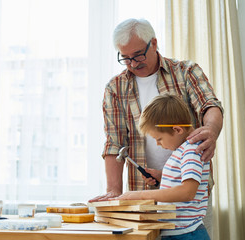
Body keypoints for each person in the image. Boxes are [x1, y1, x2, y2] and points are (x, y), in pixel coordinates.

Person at [89, 18, 223, 237]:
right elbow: (114, 142)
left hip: (187, 207)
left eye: (138, 55)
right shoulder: (115, 88)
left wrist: (211, 129)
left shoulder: (185, 71)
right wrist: (114, 190)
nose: (132, 63)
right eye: (126, 58)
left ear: (154, 43)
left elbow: (210, 105)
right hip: (147, 195)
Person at [111, 93, 210, 240]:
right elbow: (183, 179)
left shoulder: (191, 151)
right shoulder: (181, 151)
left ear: (177, 130)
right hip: (176, 232)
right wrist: (161, 176)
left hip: (187, 234)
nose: (158, 144)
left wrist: (141, 195)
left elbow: (187, 192)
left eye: (159, 139)